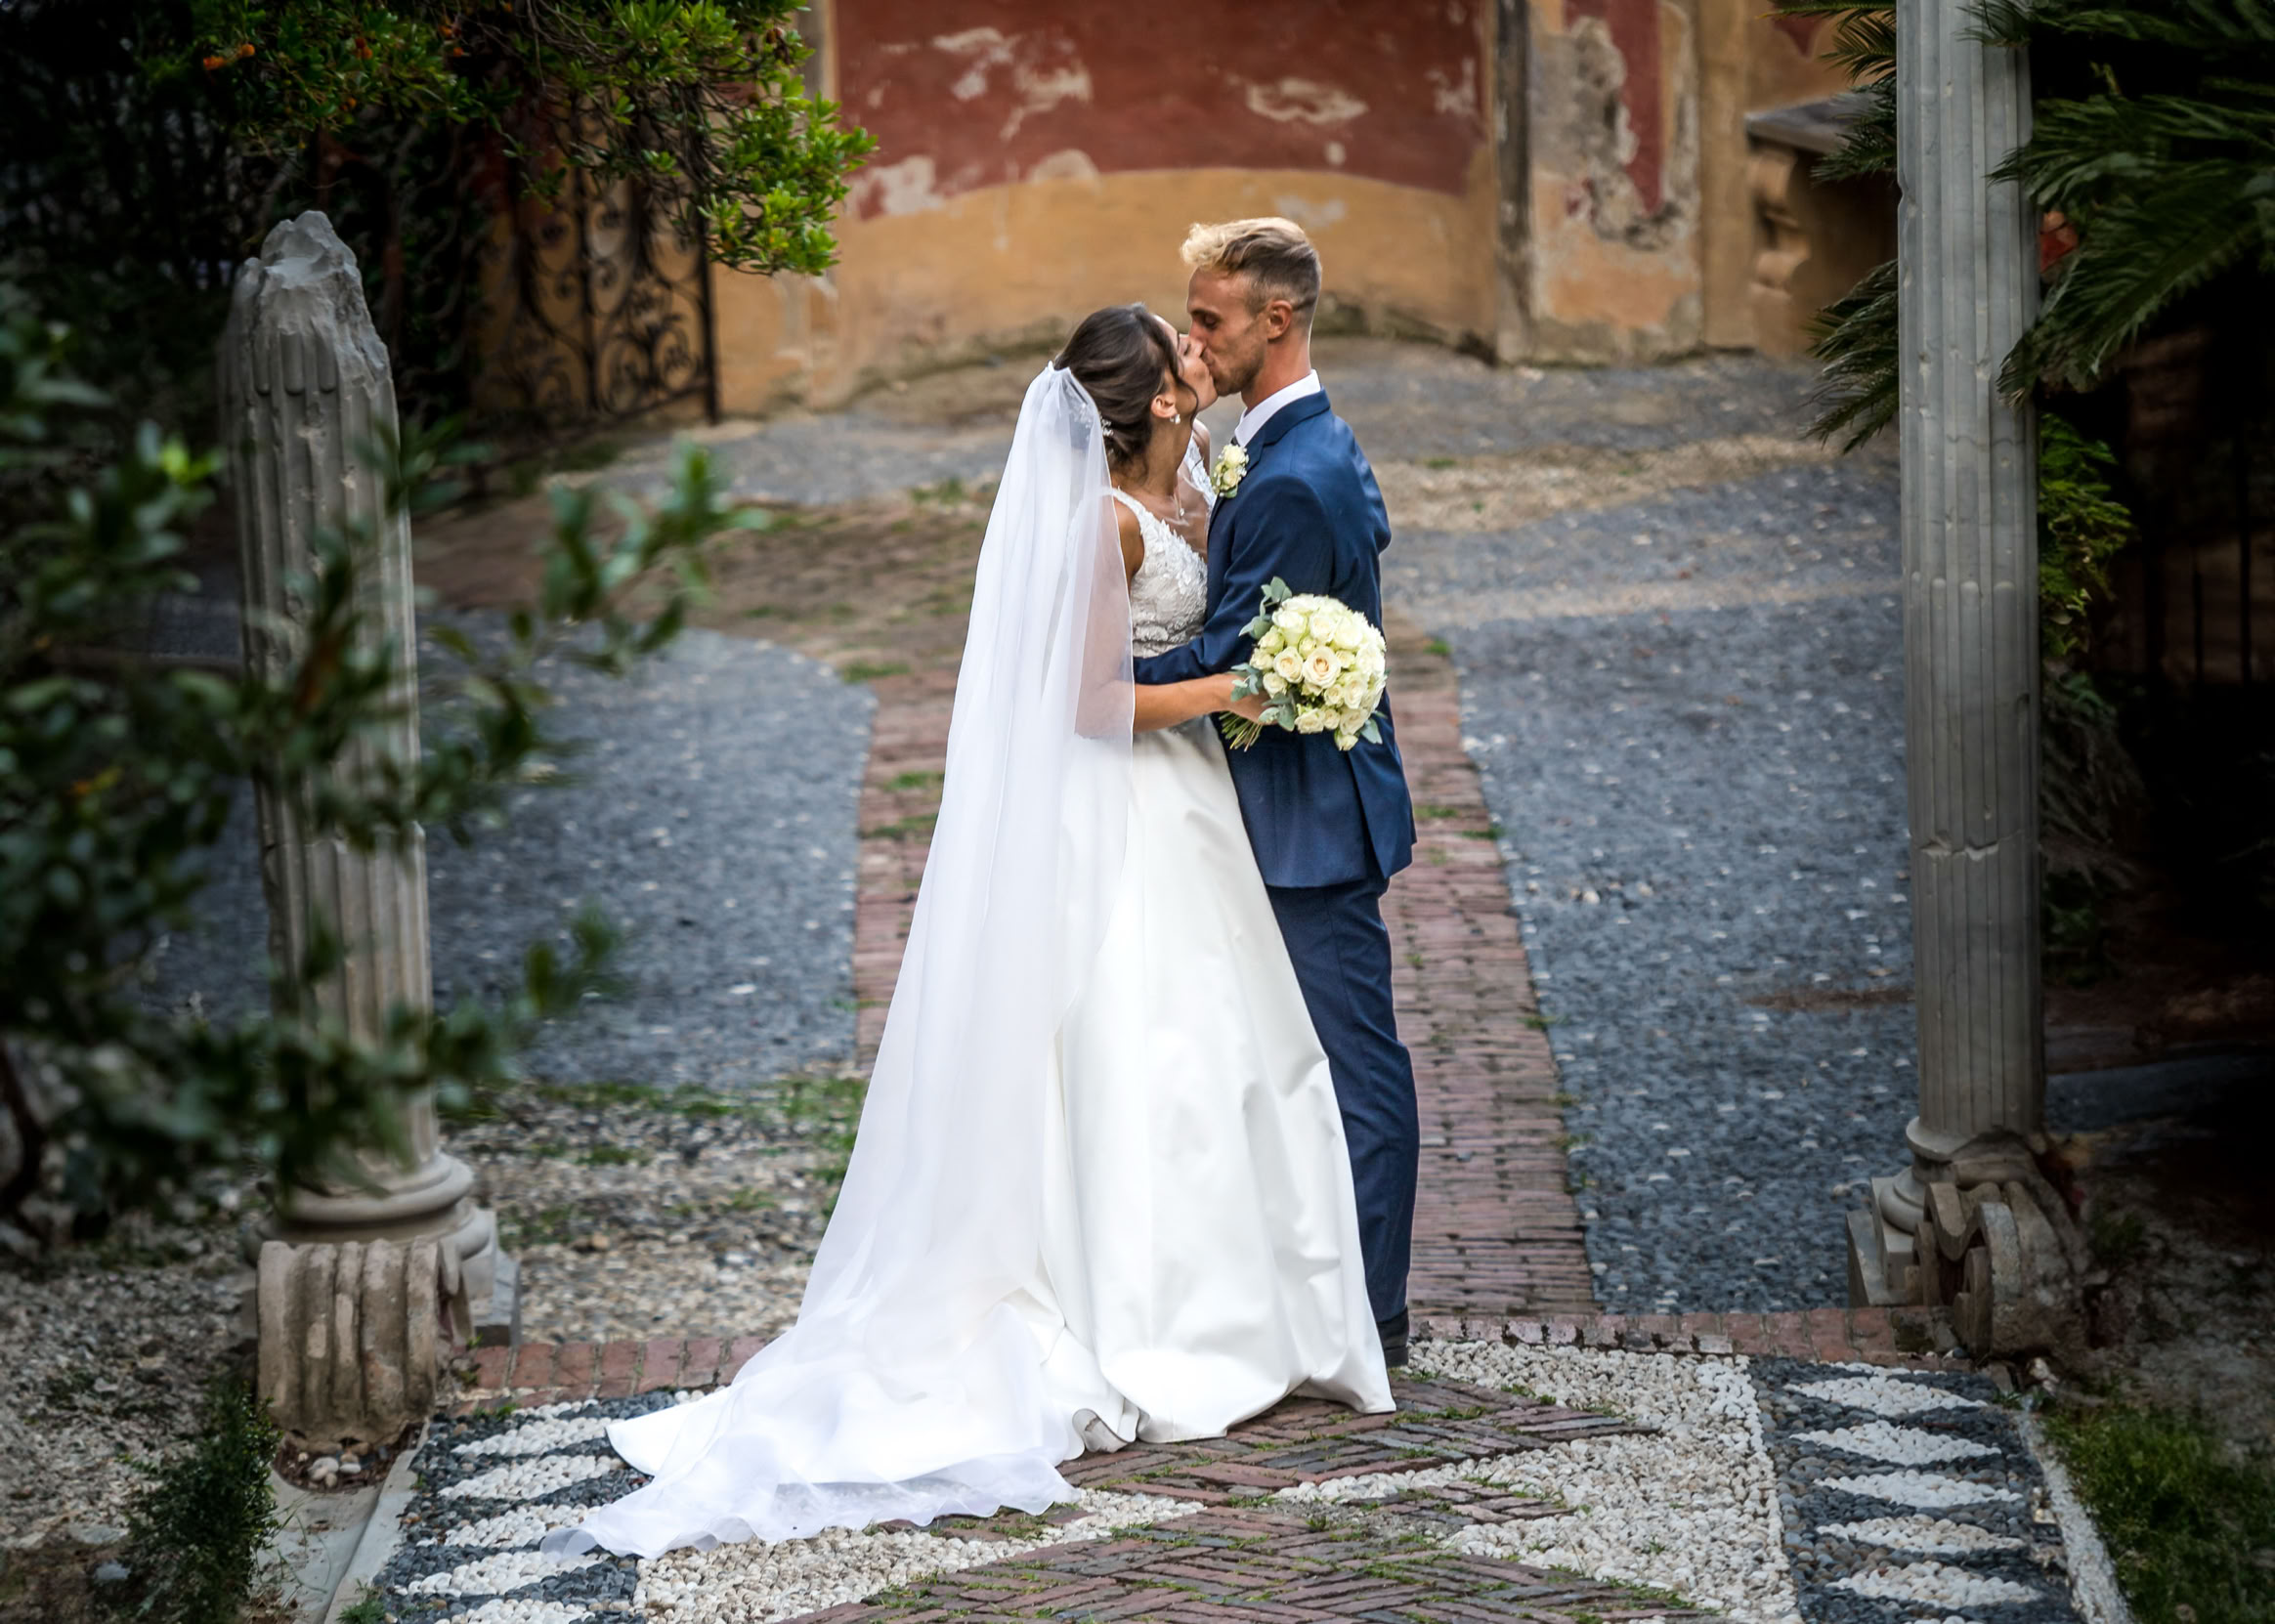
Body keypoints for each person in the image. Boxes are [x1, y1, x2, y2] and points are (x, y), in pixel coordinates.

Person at [542, 291, 1391, 1561]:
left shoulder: (1204, 487)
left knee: (1228, 1055)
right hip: (1127, 806)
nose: (1201, 360)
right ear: (1157, 396)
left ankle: (1247, 1314)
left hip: (1196, 806)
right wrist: (1250, 687)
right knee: (1132, 1046)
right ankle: (1141, 1314)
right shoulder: (1103, 526)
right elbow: (1092, 702)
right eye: (1184, 351)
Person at [1133, 217, 1420, 1365]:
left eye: (1207, 320)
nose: (1194, 344)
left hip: (1306, 823)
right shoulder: (1290, 444)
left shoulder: (1295, 475)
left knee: (1349, 1069)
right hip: (1280, 806)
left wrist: (1086, 678)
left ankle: (1373, 1315)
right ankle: (1310, 1296)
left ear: (1275, 319)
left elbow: (1229, 659)